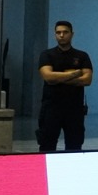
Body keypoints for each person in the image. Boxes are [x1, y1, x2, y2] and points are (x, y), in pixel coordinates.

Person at [36, 20, 91, 152]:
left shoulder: (82, 56)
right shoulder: (47, 55)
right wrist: (74, 74)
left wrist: (58, 78)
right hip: (51, 108)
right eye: (58, 32)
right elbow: (48, 77)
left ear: (72, 34)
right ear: (55, 35)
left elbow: (87, 80)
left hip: (75, 109)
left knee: (74, 146)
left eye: (65, 32)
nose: (61, 35)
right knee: (47, 145)